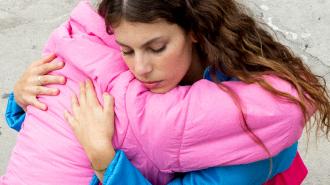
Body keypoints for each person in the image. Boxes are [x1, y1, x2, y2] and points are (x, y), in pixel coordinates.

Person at [2, 0, 329, 184]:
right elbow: (75, 131)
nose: (140, 68)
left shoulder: (249, 132)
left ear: (196, 32)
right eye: (126, 51)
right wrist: (28, 99)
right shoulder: (130, 67)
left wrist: (105, 162)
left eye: (156, 48)